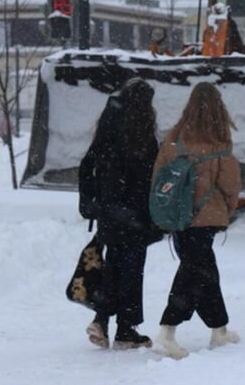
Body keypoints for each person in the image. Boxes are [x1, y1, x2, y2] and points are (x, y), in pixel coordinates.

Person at [153, 82, 242, 359]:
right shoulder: (219, 142)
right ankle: (167, 331)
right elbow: (230, 186)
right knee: (194, 273)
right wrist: (224, 209)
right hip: (206, 219)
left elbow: (159, 179)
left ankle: (219, 330)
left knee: (203, 270)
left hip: (179, 218)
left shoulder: (173, 139)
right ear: (218, 109)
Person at [80, 79, 163, 350]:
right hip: (136, 215)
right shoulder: (143, 136)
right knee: (130, 270)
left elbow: (88, 164)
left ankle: (102, 320)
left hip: (109, 211)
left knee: (114, 265)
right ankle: (126, 329)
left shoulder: (107, 129)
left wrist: (90, 201)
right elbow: (152, 174)